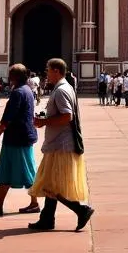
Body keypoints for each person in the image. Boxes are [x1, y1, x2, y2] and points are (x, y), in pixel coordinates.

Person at [26, 58, 94, 232]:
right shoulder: (66, 87)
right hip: (59, 143)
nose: (46, 74)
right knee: (51, 183)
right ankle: (47, 219)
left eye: (48, 70)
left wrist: (44, 122)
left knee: (52, 185)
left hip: (61, 145)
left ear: (56, 71)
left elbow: (67, 116)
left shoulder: (62, 90)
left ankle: (81, 210)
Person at [0, 64, 39, 217]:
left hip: (18, 137)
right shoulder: (27, 90)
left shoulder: (18, 93)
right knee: (6, 170)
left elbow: (8, 117)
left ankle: (35, 202)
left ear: (14, 76)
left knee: (28, 172)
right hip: (19, 136)